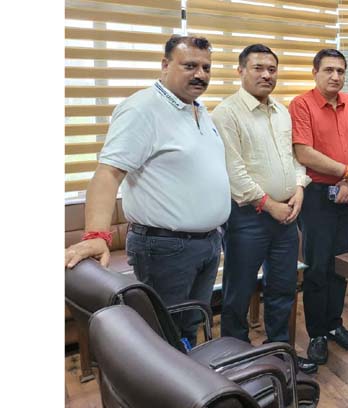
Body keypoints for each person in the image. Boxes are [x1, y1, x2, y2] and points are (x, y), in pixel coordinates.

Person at [64, 35, 230, 346]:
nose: (200, 74)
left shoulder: (197, 109)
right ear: (165, 65)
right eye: (190, 66)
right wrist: (97, 235)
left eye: (206, 67)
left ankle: (185, 373)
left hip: (207, 243)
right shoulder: (142, 108)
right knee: (161, 335)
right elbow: (107, 174)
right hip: (166, 247)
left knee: (190, 324)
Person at [211, 44, 317, 374]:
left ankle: (279, 354)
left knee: (283, 289)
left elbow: (294, 159)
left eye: (272, 69)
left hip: (287, 215)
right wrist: (269, 205)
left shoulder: (281, 112)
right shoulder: (226, 114)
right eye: (258, 68)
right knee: (238, 292)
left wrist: (299, 188)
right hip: (248, 218)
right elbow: (234, 172)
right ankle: (236, 362)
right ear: (240, 71)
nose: (267, 75)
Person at [290, 49, 348, 365]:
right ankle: (317, 333)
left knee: (341, 263)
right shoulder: (302, 104)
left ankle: (335, 324)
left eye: (341, 71)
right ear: (315, 72)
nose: (335, 76)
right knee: (318, 266)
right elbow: (304, 152)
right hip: (318, 196)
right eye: (329, 70)